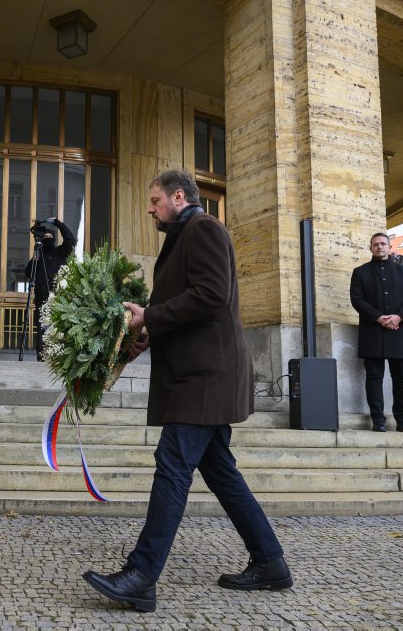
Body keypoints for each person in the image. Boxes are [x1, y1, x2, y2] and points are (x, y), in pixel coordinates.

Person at [82, 170, 291, 613]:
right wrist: (145, 332)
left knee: (173, 465)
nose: (150, 208)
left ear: (180, 196)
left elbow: (212, 295)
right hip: (200, 374)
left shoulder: (205, 228)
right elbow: (189, 303)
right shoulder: (184, 234)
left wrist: (150, 319)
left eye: (155, 199)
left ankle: (141, 575)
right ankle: (270, 562)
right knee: (221, 472)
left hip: (205, 377)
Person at [350, 233, 403, 432]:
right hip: (372, 330)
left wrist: (398, 317)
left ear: (390, 247)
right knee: (374, 377)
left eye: (383, 244)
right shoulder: (360, 272)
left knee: (401, 378)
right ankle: (378, 420)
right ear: (370, 248)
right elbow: (357, 300)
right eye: (375, 245)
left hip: (400, 330)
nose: (380, 247)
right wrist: (379, 318)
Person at [24, 217, 75, 360]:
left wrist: (58, 223)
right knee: (41, 328)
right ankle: (41, 356)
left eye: (49, 237)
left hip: (58, 297)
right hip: (41, 298)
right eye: (44, 236)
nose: (46, 239)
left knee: (58, 327)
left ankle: (58, 356)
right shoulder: (38, 256)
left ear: (53, 239)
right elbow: (28, 272)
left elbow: (70, 240)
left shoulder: (60, 252)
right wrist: (34, 258)